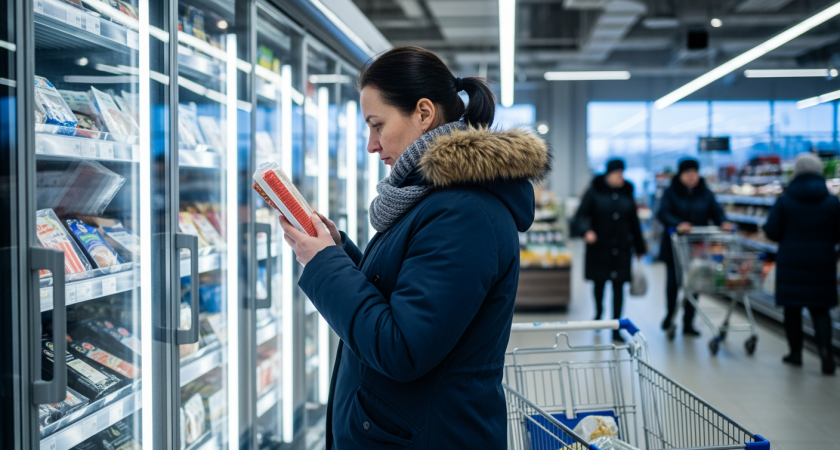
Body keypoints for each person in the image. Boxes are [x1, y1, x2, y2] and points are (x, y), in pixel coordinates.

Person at [278, 46, 550, 449]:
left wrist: (324, 264)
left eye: (377, 124)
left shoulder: (463, 212)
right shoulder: (432, 197)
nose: (371, 145)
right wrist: (338, 252)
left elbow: (402, 348)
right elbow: (403, 293)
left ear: (423, 114)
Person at [763, 153, 838, 375]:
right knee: (821, 310)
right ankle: (826, 353)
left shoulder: (785, 201)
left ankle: (795, 354)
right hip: (823, 262)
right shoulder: (832, 202)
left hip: (791, 262)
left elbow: (772, 231)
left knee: (792, 309)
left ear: (796, 172)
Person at [657, 158, 733, 336]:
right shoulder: (671, 192)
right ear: (681, 175)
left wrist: (723, 222)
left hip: (697, 247)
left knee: (695, 282)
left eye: (695, 173)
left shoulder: (705, 192)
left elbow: (716, 211)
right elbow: (663, 213)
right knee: (673, 283)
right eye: (688, 173)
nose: (692, 177)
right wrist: (678, 224)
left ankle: (688, 322)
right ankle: (670, 315)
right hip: (674, 247)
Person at [572, 159, 646, 340]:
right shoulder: (594, 191)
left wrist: (640, 246)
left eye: (622, 173)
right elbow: (580, 216)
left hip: (622, 248)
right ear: (608, 174)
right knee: (599, 283)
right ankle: (599, 313)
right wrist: (586, 231)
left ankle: (616, 326)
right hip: (599, 247)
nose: (621, 177)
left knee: (619, 286)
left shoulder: (627, 193)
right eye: (617, 173)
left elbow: (634, 221)